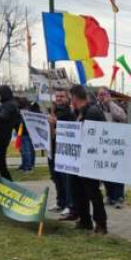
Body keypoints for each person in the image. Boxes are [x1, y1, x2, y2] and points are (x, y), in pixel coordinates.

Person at [69, 84, 108, 234]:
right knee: (79, 190)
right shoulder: (80, 112)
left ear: (75, 97)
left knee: (92, 191)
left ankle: (101, 223)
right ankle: (85, 220)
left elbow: (92, 135)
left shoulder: (92, 112)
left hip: (91, 159)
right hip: (80, 159)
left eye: (71, 97)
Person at [47, 89, 77, 219]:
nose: (59, 98)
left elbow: (70, 127)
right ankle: (61, 201)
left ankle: (70, 205)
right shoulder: (53, 110)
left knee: (65, 179)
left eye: (62, 96)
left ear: (67, 98)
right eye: (57, 96)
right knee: (55, 177)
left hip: (64, 150)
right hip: (53, 148)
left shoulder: (70, 111)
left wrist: (56, 123)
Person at [97, 88, 127, 208]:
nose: (102, 97)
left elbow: (122, 117)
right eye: (100, 95)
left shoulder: (115, 106)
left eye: (104, 94)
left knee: (117, 172)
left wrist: (110, 103)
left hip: (115, 144)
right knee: (105, 171)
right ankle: (110, 195)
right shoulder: (97, 108)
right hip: (103, 144)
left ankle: (119, 196)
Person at [0, 85, 20, 181]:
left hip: (1, 138)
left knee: (1, 163)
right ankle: (5, 182)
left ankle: (9, 183)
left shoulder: (9, 105)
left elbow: (3, 118)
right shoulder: (6, 104)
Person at [17, 98, 37, 173]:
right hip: (29, 133)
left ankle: (27, 167)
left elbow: (22, 123)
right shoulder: (30, 110)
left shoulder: (24, 112)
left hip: (25, 133)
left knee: (26, 150)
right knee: (29, 150)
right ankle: (28, 165)